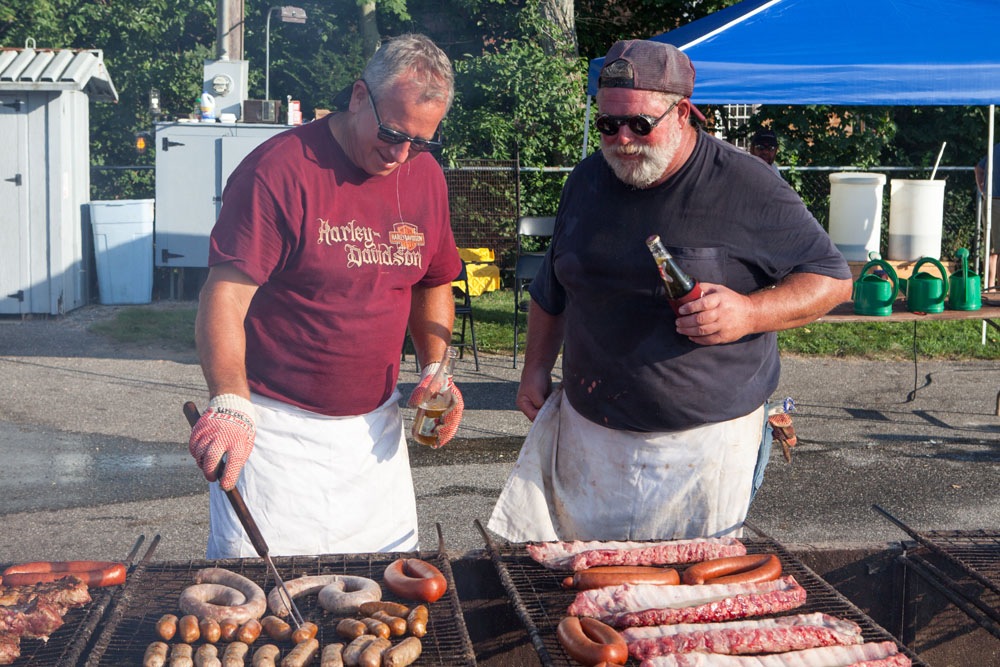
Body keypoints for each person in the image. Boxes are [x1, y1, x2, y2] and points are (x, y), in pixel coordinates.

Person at [488, 40, 852, 543]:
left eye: (639, 125)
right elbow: (553, 288)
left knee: (683, 605)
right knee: (586, 594)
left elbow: (832, 278)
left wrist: (748, 312)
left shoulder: (747, 183)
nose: (621, 140)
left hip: (701, 449)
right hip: (591, 437)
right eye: (608, 125)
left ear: (681, 112)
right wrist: (533, 368)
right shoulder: (586, 179)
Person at [187, 33, 464, 558]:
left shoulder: (423, 176)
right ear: (359, 96)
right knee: (262, 608)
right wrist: (228, 400)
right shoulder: (279, 171)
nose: (401, 154)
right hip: (275, 433)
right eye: (391, 133)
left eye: (421, 142)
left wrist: (435, 368)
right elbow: (224, 297)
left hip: (373, 435)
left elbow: (433, 279)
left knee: (381, 605)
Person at [975, 143, 1000, 288]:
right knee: (996, 249)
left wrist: (983, 190)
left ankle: (989, 286)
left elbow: (978, 169)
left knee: (991, 249)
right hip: (996, 201)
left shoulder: (995, 148)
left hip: (990, 201)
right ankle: (996, 289)